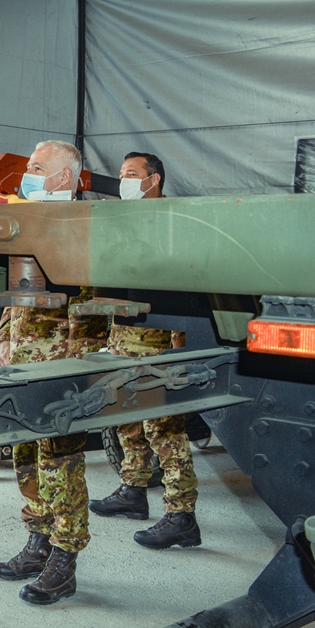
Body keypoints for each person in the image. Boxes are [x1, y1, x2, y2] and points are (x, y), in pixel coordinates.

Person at [0, 140, 108, 605]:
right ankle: (38, 539)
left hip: (62, 365)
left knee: (61, 462)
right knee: (24, 457)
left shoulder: (89, 225)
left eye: (38, 168)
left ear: (64, 178)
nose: (28, 174)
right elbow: (12, 289)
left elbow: (98, 303)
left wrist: (78, 365)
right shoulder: (28, 221)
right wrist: (3, 339)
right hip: (21, 360)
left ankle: (64, 559)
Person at [89, 152, 202, 549]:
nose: (123, 181)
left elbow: (189, 284)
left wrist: (179, 349)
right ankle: (133, 492)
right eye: (121, 175)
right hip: (123, 336)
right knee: (127, 418)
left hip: (159, 339)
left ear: (153, 180)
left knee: (163, 427)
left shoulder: (175, 221)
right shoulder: (122, 220)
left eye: (131, 175)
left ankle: (181, 515)